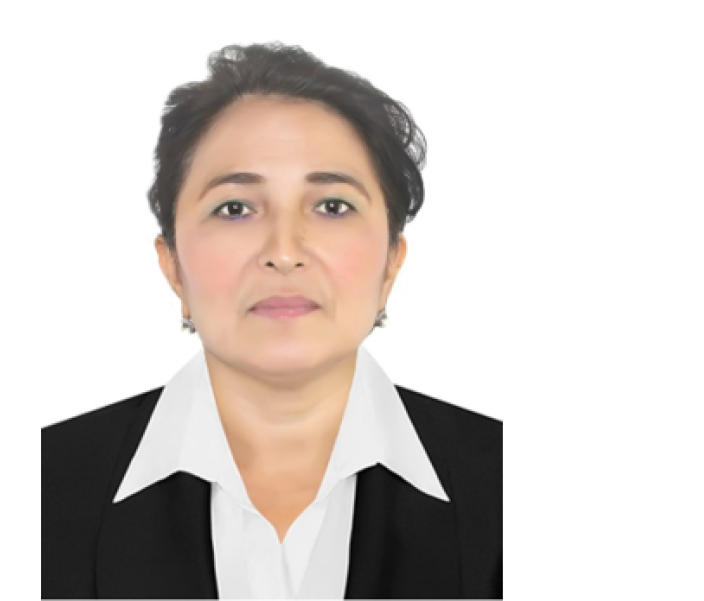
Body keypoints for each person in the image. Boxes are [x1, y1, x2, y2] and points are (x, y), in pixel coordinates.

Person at [42, 42, 502, 599]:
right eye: (235, 208)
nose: (284, 252)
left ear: (390, 263)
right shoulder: (41, 488)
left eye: (332, 206)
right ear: (173, 266)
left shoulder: (507, 485)